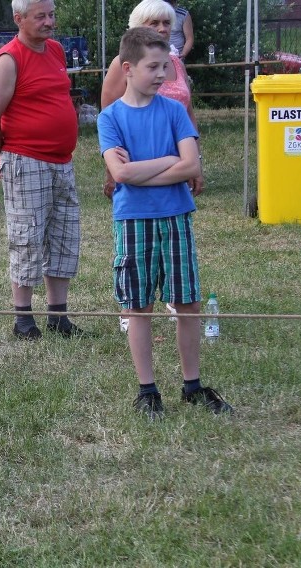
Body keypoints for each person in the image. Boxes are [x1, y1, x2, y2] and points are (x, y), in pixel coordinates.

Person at [97, 27, 233, 420]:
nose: (162, 75)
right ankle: (148, 390)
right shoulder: (110, 118)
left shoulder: (174, 112)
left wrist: (139, 168)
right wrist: (166, 163)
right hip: (133, 221)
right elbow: (118, 176)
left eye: (166, 67)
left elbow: (191, 165)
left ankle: (192, 385)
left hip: (176, 217)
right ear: (128, 68)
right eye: (153, 67)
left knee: (187, 301)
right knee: (139, 306)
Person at [0, 0, 86, 340]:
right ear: (19, 19)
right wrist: (10, 154)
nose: (49, 22)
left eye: (52, 15)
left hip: (61, 161)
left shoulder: (55, 51)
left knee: (64, 237)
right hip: (26, 161)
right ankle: (23, 318)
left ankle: (58, 315)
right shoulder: (9, 60)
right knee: (27, 239)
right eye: (41, 16)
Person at [101, 0, 204, 333]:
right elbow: (112, 114)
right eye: (154, 22)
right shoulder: (125, 63)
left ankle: (174, 300)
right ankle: (133, 309)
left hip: (177, 160)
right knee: (138, 279)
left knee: (180, 272)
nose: (162, 28)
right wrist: (168, 163)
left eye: (166, 22)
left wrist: (192, 162)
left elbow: (186, 108)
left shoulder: (173, 62)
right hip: (141, 172)